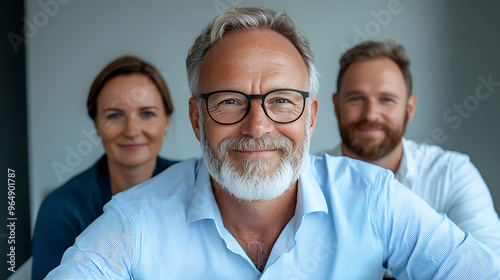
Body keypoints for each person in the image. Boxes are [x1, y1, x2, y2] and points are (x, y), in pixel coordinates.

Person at [46, 7, 500, 279]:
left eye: (282, 101)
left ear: (312, 117)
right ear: (195, 118)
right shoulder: (135, 222)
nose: (258, 126)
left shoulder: (374, 200)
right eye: (228, 102)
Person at [327, 40, 500, 249]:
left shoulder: (451, 174)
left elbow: (488, 267)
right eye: (356, 98)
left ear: (409, 109)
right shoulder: (305, 183)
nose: (371, 114)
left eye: (387, 99)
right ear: (336, 106)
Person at [32, 56, 178, 279]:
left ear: (166, 120)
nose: (131, 130)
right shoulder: (61, 210)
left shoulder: (197, 188)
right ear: (97, 125)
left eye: (147, 113)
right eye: (115, 115)